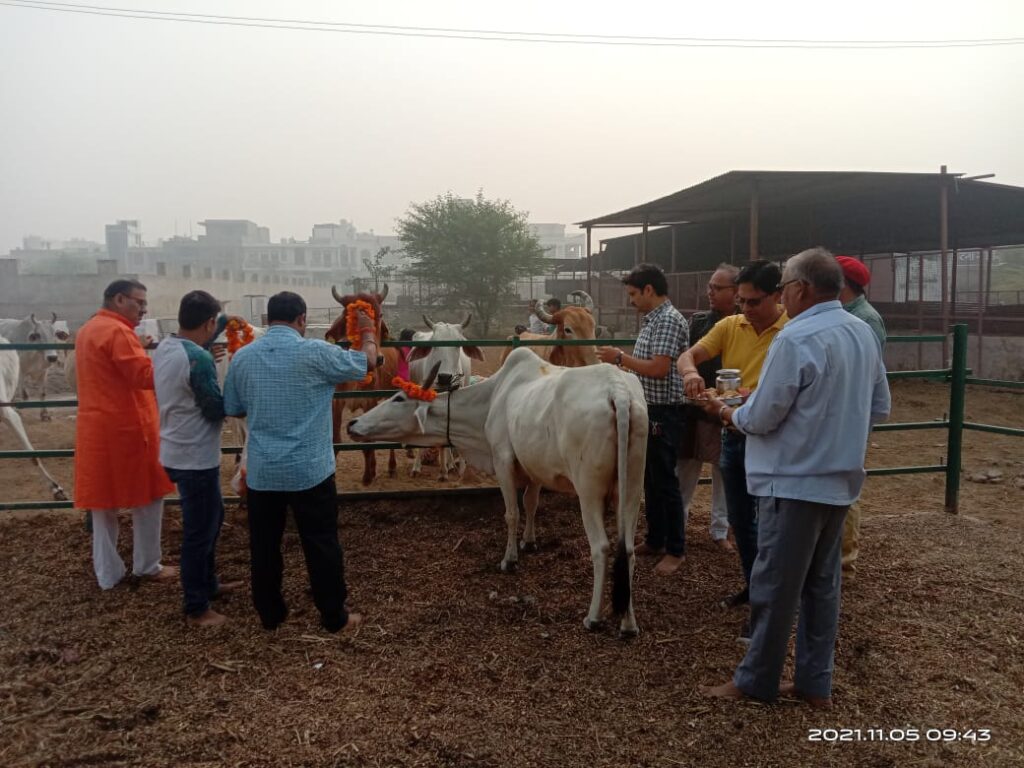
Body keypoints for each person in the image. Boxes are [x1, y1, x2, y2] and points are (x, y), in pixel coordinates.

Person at [700, 247, 890, 708]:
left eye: (784, 286)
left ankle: (756, 680)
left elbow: (762, 418)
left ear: (801, 289)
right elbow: (880, 405)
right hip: (840, 483)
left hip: (793, 482)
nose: (782, 295)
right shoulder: (861, 331)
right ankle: (813, 682)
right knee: (822, 586)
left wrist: (726, 410)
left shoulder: (796, 337)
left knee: (774, 585)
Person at [223, 291, 377, 634]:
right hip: (310, 470)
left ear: (266, 320)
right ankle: (333, 616)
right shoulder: (317, 352)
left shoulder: (243, 358)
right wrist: (367, 333)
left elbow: (232, 408)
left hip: (263, 472)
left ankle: (270, 614)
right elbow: (367, 362)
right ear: (303, 320)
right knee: (321, 543)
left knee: (264, 545)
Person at [676, 260, 787, 640]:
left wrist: (750, 399)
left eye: (754, 302)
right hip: (734, 432)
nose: (745, 309)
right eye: (740, 301)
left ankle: (768, 607)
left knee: (770, 524)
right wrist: (691, 373)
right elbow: (688, 355)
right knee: (743, 520)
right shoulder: (730, 325)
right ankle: (754, 588)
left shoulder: (790, 332)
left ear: (778, 296)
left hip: (773, 439)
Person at [74, 279, 177, 590]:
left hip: (96, 429)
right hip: (129, 429)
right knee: (148, 496)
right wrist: (179, 358)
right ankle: (148, 564)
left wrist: (140, 349)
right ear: (119, 299)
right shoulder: (118, 332)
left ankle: (108, 574)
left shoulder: (90, 329)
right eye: (139, 303)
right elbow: (144, 376)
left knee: (103, 506)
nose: (143, 309)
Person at [154, 291, 243, 627]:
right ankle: (196, 605)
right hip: (195, 457)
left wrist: (206, 350)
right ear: (209, 323)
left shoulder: (168, 347)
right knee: (199, 531)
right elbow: (215, 407)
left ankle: (209, 585)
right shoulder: (199, 360)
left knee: (212, 518)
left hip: (176, 449)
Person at [597, 263, 689, 576]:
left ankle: (676, 549)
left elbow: (659, 368)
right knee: (650, 479)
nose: (631, 300)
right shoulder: (653, 320)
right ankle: (655, 539)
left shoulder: (667, 321)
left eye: (634, 294)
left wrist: (619, 358)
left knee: (665, 481)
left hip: (663, 410)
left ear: (649, 290)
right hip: (649, 408)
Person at [677, 264, 739, 552]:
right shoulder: (699, 322)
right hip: (696, 406)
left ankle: (720, 530)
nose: (710, 292)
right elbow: (686, 356)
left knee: (724, 470)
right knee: (686, 466)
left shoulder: (744, 326)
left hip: (730, 408)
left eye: (718, 287)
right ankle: (677, 528)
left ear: (736, 292)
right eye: (710, 287)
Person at [835, 256, 888, 574]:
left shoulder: (866, 320)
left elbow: (871, 372)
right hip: (843, 412)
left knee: (846, 479)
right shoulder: (848, 316)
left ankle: (845, 555)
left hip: (852, 413)